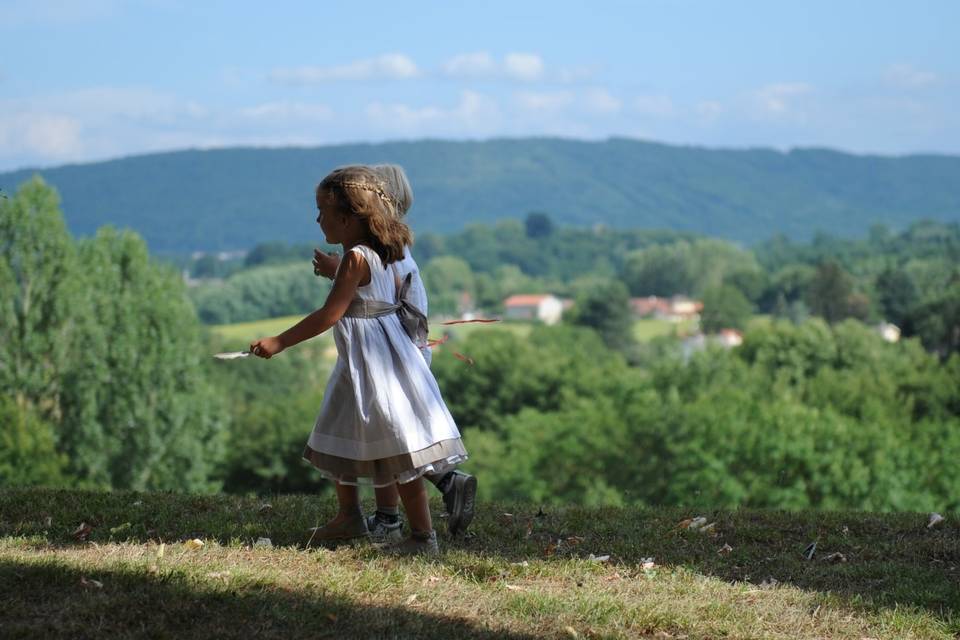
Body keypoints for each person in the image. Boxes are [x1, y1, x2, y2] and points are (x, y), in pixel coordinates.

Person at [250, 165, 466, 555]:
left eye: (323, 211)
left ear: (348, 218)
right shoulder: (385, 251)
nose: (318, 219)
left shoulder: (355, 258)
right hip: (368, 364)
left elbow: (329, 314)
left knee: (399, 451)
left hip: (373, 367)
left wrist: (280, 341)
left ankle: (422, 537)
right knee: (341, 427)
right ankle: (349, 517)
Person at [312, 164, 477, 540]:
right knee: (382, 436)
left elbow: (373, 294)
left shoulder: (382, 254)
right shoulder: (390, 250)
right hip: (391, 353)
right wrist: (340, 270)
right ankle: (404, 510)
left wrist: (340, 272)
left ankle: (423, 500)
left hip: (393, 357)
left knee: (393, 439)